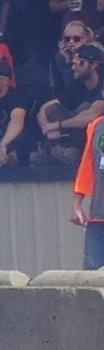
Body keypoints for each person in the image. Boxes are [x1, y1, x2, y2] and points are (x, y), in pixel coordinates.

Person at [71, 110, 104, 268]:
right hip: (98, 215)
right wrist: (77, 203)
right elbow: (87, 165)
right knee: (92, 274)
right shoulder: (97, 125)